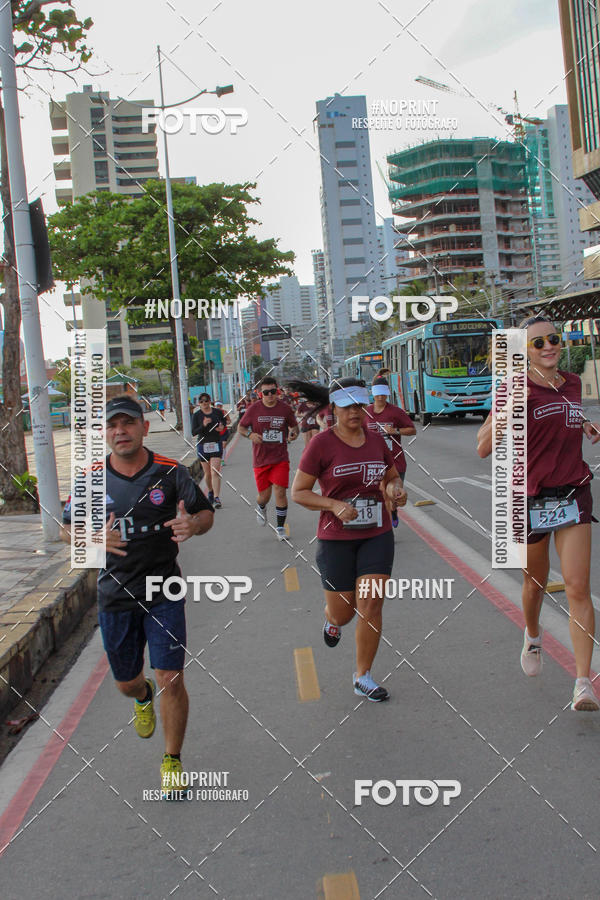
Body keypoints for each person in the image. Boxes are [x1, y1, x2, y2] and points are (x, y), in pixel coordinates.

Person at [61, 395, 214, 790]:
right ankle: (141, 694)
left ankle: (172, 760)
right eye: (112, 426)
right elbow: (66, 530)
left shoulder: (170, 473)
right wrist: (93, 537)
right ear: (104, 433)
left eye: (128, 423)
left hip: (164, 589)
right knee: (127, 683)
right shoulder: (91, 479)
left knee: (171, 676)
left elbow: (204, 512)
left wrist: (194, 526)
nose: (120, 431)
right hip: (115, 596)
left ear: (145, 428)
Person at [477, 315, 600, 711]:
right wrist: (506, 413)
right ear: (523, 352)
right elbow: (482, 447)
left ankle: (583, 683)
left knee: (578, 588)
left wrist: (586, 426)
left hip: (573, 493)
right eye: (538, 342)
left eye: (553, 339)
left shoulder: (573, 383)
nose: (548, 346)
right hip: (529, 499)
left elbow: (562, 416)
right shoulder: (514, 387)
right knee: (536, 584)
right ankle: (532, 634)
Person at [291, 378, 407, 701]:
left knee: (371, 605)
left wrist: (395, 490)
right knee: (344, 613)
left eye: (359, 406)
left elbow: (390, 475)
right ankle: (330, 620)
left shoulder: (376, 441)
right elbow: (298, 492)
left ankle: (363, 676)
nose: (355, 412)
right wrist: (333, 505)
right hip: (336, 538)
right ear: (334, 410)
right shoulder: (322, 445)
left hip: (377, 535)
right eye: (348, 407)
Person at [238, 376, 299, 540]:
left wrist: (293, 433)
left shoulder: (285, 409)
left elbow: (295, 427)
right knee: (265, 495)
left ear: (277, 391)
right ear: (260, 394)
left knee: (280, 492)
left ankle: (280, 528)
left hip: (280, 458)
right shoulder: (254, 409)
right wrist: (250, 435)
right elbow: (241, 428)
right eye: (266, 392)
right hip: (261, 459)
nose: (270, 395)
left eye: (273, 391)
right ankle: (261, 506)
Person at [365, 376, 416, 527]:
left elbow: (412, 430)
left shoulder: (396, 412)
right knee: (383, 496)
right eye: (377, 393)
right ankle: (386, 529)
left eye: (383, 393)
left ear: (387, 393)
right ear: (372, 393)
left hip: (395, 460)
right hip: (375, 462)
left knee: (392, 494)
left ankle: (393, 511)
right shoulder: (365, 413)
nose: (380, 397)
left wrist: (395, 430)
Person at [191, 393, 227, 508]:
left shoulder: (217, 412)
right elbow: (194, 432)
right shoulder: (197, 415)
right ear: (199, 403)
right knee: (207, 473)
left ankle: (217, 498)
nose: (204, 403)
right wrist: (203, 425)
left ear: (210, 401)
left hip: (216, 443)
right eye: (201, 401)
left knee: (215, 471)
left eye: (206, 400)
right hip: (203, 445)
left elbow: (224, 422)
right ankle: (210, 491)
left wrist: (222, 427)